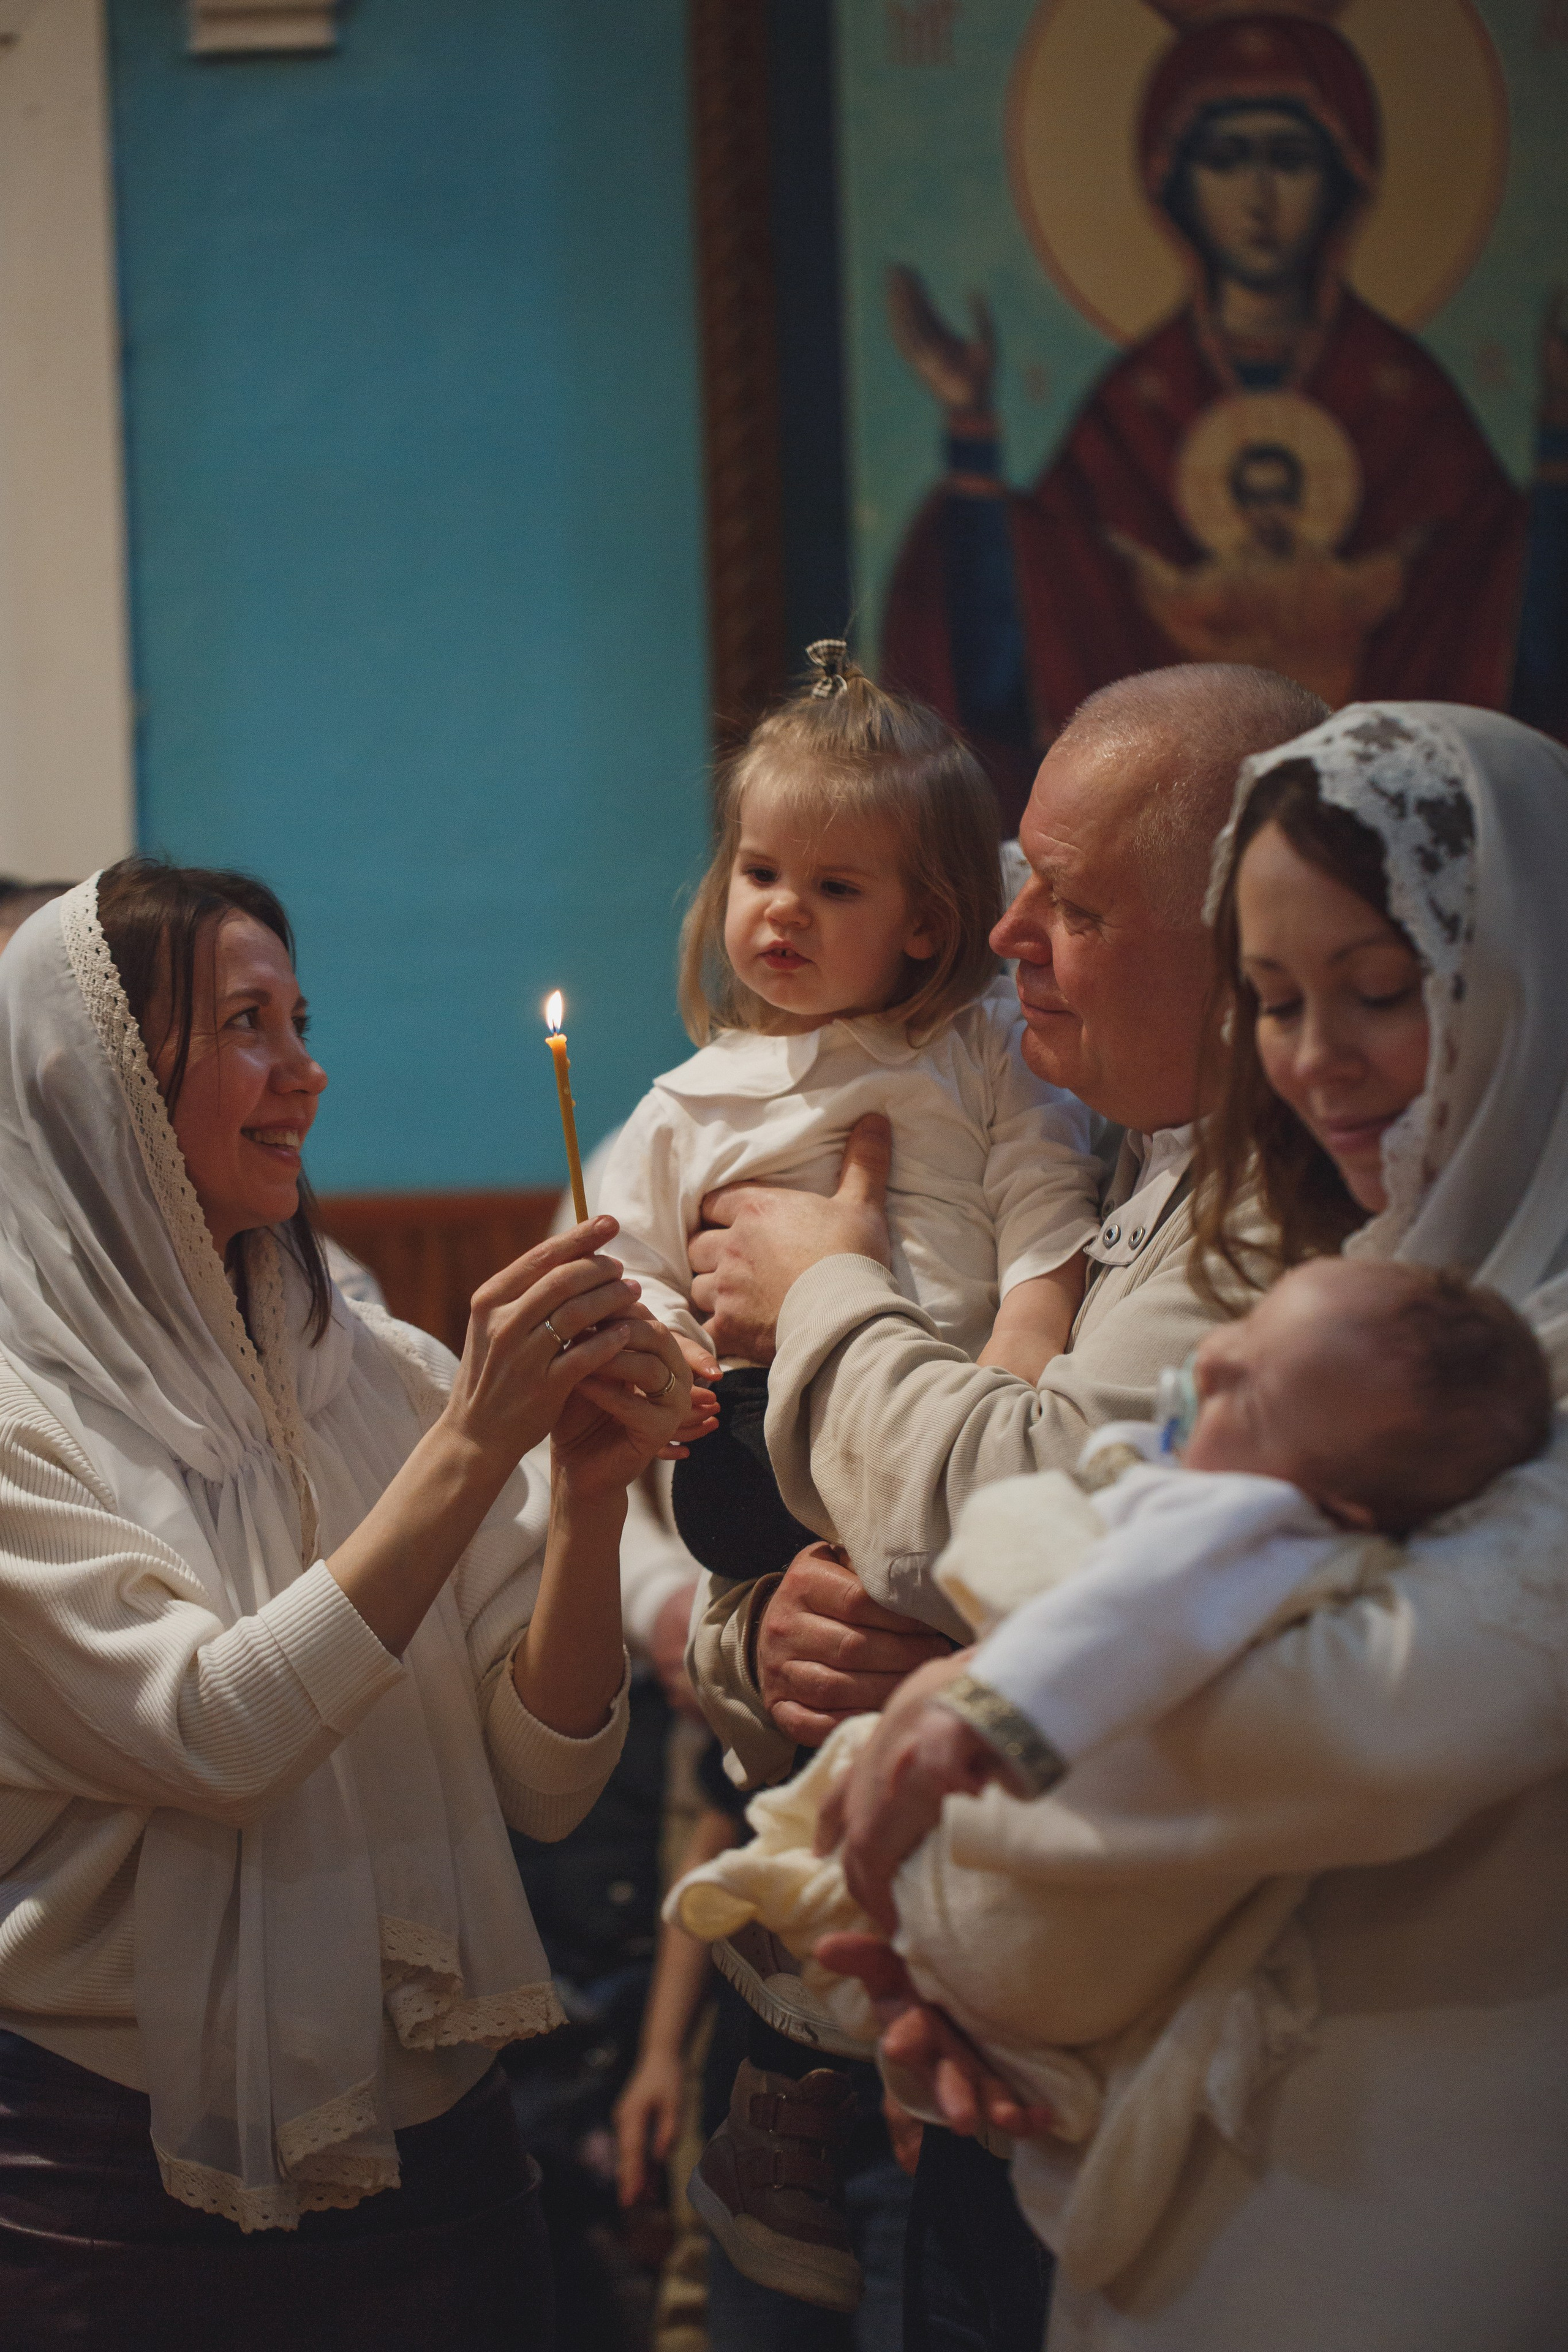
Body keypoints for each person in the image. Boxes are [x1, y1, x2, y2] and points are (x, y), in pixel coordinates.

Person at [822, 703, 1568, 2350]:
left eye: (1380, 993)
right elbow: (1058, 1551)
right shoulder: (1361, 1297)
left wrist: (976, 1674)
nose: (1318, 1061)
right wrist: (957, 1978)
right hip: (1172, 2189)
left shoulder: (1521, 1350)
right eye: (1280, 1001)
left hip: (1420, 2226)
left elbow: (1346, 1728)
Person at [682, 660, 1324, 2349]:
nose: (1014, 931)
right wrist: (753, 1636)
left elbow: (1021, 1524)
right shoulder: (1115, 1140)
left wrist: (826, 1289)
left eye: (1079, 902)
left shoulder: (1277, 1221)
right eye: (1021, 877)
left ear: (1246, 932)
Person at [0, 862, 691, 2348]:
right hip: (126, 2183)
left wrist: (579, 1504)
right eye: (248, 1025)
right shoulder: (19, 1418)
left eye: (300, 1018)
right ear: (98, 1084)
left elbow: (547, 1782)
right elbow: (214, 1734)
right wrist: (469, 1450)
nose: (306, 1072)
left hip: (443, 2159)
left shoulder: (380, 1373)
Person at [879, 14, 1544, 822]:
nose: (1259, 197)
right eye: (1227, 160)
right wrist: (971, 433)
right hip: (1165, 833)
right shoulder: (1136, 403)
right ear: (1174, 181)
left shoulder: (1404, 397)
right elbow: (1023, 637)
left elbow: (1500, 610)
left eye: (1290, 160)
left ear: (1345, 177)